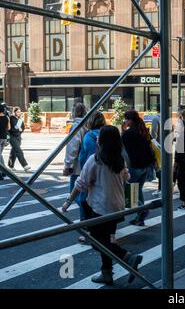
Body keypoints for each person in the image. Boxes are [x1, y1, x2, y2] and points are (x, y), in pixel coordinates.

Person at [64, 125, 143, 285]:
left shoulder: (95, 159)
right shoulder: (119, 160)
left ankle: (128, 257)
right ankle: (106, 273)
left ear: (101, 141)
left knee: (95, 241)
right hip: (117, 207)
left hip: (101, 207)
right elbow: (126, 177)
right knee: (106, 240)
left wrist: (68, 201)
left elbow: (81, 184)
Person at [63, 111, 107, 243]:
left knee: (84, 200)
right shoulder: (107, 133)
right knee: (99, 201)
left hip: (89, 172)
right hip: (106, 173)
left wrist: (68, 165)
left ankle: (88, 232)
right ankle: (105, 233)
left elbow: (87, 156)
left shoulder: (89, 136)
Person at [122, 110, 156, 226]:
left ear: (131, 120)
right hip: (146, 166)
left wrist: (123, 131)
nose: (125, 121)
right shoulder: (144, 131)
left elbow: (121, 148)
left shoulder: (128, 134)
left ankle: (142, 211)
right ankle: (139, 217)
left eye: (126, 119)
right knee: (138, 190)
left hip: (134, 167)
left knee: (132, 193)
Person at [63, 103, 88, 242]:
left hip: (78, 166)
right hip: (87, 165)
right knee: (83, 195)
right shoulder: (87, 125)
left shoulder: (76, 126)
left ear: (74, 112)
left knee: (77, 193)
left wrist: (68, 164)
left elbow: (73, 146)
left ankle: (86, 224)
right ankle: (87, 222)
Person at [8, 107, 31, 172]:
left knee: (14, 151)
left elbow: (23, 128)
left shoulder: (20, 119)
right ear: (14, 112)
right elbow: (9, 128)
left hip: (18, 137)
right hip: (12, 136)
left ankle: (11, 166)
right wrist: (17, 129)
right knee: (18, 150)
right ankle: (25, 165)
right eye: (17, 112)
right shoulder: (11, 118)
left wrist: (20, 130)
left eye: (20, 112)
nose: (19, 113)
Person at [0, 104, 10, 181]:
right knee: (0, 155)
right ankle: (4, 171)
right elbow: (8, 128)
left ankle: (1, 173)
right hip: (4, 138)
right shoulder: (6, 118)